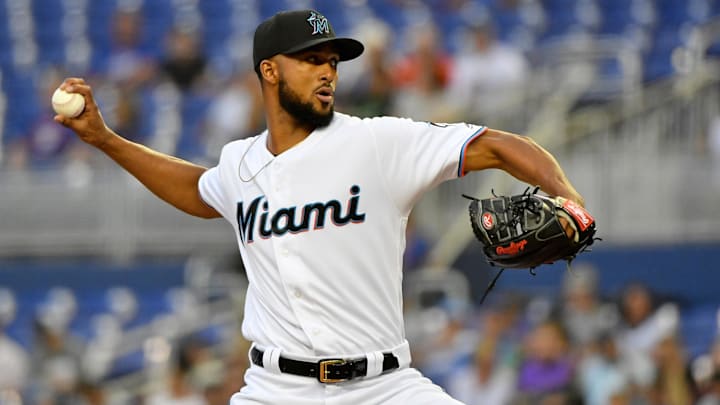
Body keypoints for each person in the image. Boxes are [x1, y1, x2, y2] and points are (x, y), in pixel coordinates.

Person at [54, 9, 585, 404]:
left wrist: (569, 198)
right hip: (274, 389)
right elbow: (198, 191)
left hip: (384, 386)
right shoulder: (239, 163)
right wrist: (105, 139)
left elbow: (496, 145)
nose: (327, 71)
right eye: (310, 60)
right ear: (269, 71)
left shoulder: (377, 143)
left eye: (331, 61)